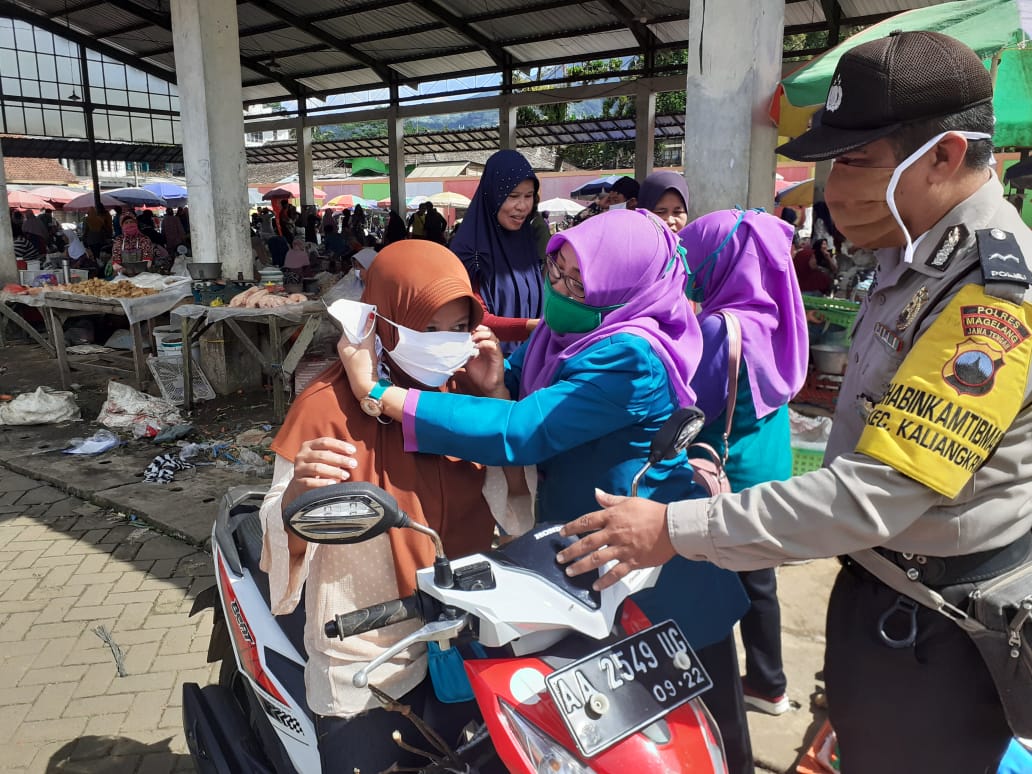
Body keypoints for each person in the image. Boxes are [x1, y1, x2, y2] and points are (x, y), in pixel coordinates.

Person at [557, 31, 1032, 773]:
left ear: (942, 156)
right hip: (884, 594)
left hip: (938, 626)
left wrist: (674, 529)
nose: (833, 188)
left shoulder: (988, 297)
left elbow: (878, 492)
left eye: (855, 160)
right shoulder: (910, 253)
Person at [338, 209, 755, 773]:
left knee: (695, 740)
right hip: (583, 559)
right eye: (555, 270)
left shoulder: (631, 356)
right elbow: (528, 382)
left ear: (621, 286)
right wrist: (496, 378)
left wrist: (377, 392)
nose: (559, 290)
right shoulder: (573, 333)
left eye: (578, 283)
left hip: (652, 574)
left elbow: (525, 429)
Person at [259, 241, 498, 773]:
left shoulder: (464, 395)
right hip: (367, 654)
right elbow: (277, 522)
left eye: (459, 327)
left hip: (467, 635)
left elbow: (513, 510)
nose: (445, 343)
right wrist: (298, 497)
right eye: (427, 328)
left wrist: (495, 395)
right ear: (383, 322)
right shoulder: (326, 406)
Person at [678, 209, 809, 718]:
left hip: (724, 475)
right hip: (769, 465)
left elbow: (692, 406)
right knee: (759, 582)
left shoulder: (719, 326)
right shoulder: (778, 311)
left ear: (722, 259)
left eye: (694, 254)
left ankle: (715, 695)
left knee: (712, 587)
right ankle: (769, 683)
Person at [449, 149, 542, 351]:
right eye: (513, 196)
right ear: (493, 196)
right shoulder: (469, 251)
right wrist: (533, 327)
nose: (522, 206)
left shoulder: (527, 242)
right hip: (487, 360)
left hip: (531, 357)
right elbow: (476, 318)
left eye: (528, 196)